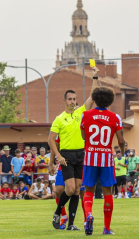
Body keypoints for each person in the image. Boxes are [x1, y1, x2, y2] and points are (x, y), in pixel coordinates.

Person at [49, 66, 99, 231]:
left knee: (77, 190)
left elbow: (93, 96)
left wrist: (95, 77)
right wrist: (58, 157)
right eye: (69, 99)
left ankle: (71, 224)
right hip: (66, 156)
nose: (72, 102)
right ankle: (57, 212)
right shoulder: (59, 119)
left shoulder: (80, 113)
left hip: (81, 155)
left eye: (74, 99)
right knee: (69, 189)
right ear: (65, 101)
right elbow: (50, 140)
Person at [80, 86, 125, 235]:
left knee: (88, 191)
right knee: (108, 193)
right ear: (110, 100)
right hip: (106, 158)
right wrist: (122, 151)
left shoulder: (85, 115)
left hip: (90, 157)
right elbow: (121, 140)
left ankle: (89, 216)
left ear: (95, 98)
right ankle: (106, 228)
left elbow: (83, 136)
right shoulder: (115, 117)